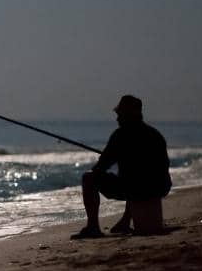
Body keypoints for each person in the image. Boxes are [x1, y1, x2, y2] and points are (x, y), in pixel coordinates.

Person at [72, 95, 172, 239]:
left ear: (129, 114)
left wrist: (109, 159)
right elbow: (163, 167)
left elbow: (100, 168)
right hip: (159, 187)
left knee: (89, 178)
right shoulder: (155, 134)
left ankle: (93, 227)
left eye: (120, 114)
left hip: (137, 188)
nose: (117, 118)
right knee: (133, 176)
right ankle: (125, 221)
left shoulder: (120, 135)